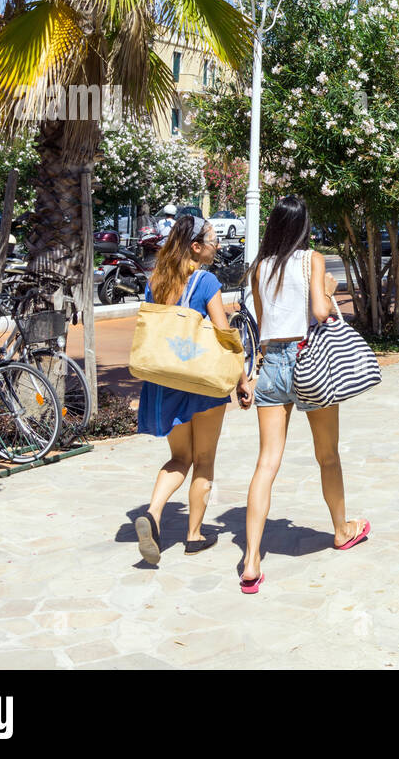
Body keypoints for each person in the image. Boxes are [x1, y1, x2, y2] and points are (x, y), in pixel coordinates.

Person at [239, 196, 369, 595]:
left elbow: (261, 327)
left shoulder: (259, 268)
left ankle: (251, 560)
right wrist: (329, 291)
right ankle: (342, 530)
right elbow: (318, 311)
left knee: (266, 463)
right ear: (302, 227)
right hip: (308, 360)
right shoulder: (311, 259)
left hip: (271, 365)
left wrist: (250, 374)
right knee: (327, 455)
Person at [133, 216, 252, 565]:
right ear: (196, 246)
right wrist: (242, 380)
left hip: (166, 381)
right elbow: (224, 333)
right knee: (204, 460)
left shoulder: (156, 281)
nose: (216, 246)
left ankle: (153, 513)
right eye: (213, 240)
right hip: (201, 381)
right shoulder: (206, 280)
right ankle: (194, 536)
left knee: (179, 458)